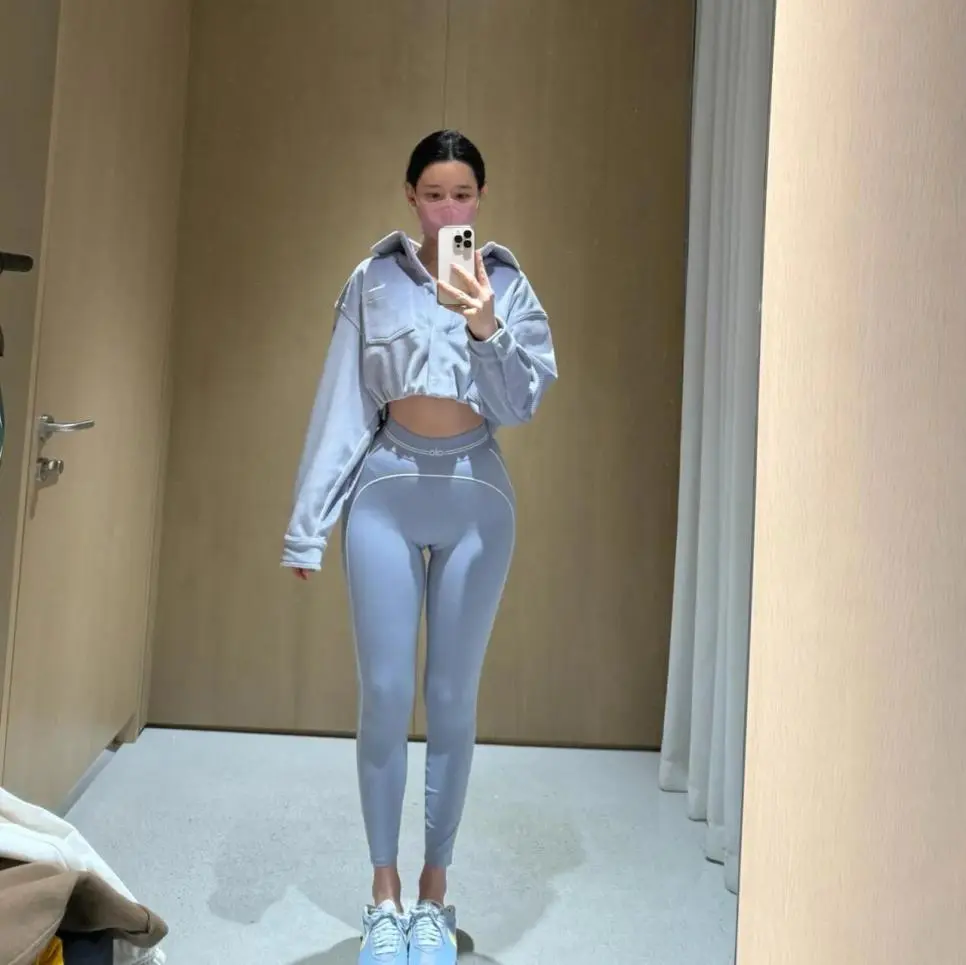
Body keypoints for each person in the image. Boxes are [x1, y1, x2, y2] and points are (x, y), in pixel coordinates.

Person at [282, 130, 557, 965]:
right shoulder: (372, 282)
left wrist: (485, 324)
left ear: (481, 199)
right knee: (384, 691)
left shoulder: (507, 285)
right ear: (410, 196)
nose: (447, 209)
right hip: (385, 493)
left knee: (451, 698)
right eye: (433, 194)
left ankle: (434, 892)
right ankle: (384, 893)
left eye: (462, 194)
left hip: (477, 498)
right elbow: (342, 404)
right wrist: (308, 523)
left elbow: (521, 403)